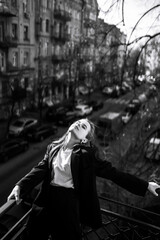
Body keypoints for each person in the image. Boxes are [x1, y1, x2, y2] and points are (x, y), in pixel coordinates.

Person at [7, 118, 160, 240]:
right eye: (79, 122)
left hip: (67, 206)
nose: (80, 124)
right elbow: (40, 169)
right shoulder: (53, 147)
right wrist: (20, 186)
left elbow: (114, 174)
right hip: (45, 201)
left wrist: (145, 185)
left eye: (84, 127)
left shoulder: (86, 156)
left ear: (84, 140)